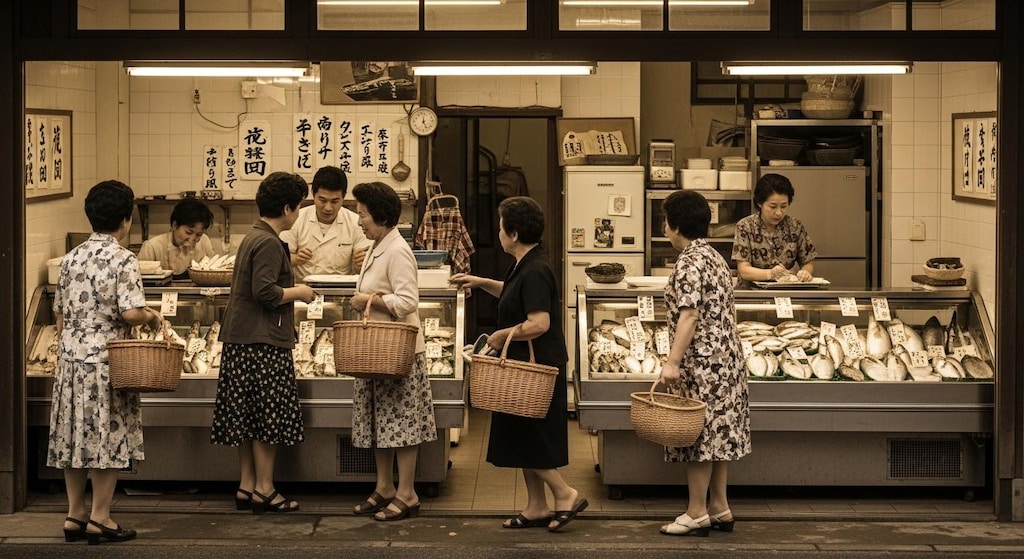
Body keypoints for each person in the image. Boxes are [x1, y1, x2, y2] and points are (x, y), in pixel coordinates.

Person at [449, 197, 587, 533]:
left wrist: (500, 336)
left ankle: (564, 493)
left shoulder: (536, 269)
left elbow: (538, 322)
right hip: (523, 368)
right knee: (523, 435)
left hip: (535, 371)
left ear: (512, 233)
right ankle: (537, 506)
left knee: (530, 439)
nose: (498, 233)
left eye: (500, 227)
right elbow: (515, 296)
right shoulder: (525, 264)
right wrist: (481, 282)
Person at [47, 180, 164, 545]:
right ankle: (101, 516)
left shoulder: (71, 258)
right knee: (106, 435)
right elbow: (130, 313)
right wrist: (152, 315)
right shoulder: (123, 258)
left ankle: (74, 513)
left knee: (73, 435)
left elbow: (60, 314)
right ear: (126, 220)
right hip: (106, 361)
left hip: (69, 359)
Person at [210, 172, 316, 515]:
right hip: (262, 342)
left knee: (246, 418)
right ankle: (266, 489)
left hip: (242, 340)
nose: (298, 213)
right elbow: (266, 292)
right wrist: (301, 292)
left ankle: (247, 485)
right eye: (298, 207)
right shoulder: (270, 241)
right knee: (267, 419)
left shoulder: (253, 235)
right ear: (287, 208)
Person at [658, 190, 750, 537]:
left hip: (703, 364)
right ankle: (719, 507)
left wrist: (672, 361)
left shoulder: (687, 262)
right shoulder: (713, 256)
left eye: (665, 222)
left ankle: (696, 511)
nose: (665, 228)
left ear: (674, 225)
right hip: (728, 361)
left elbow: (690, 315)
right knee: (719, 436)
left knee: (698, 438)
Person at [348, 181, 437, 522]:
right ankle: (384, 486)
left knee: (401, 424)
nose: (359, 221)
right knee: (379, 423)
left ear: (380, 216)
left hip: (399, 354)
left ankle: (407, 493)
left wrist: (368, 300)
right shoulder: (377, 244)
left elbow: (407, 301)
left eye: (363, 214)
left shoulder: (398, 250)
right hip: (377, 353)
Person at [279, 166, 371, 280]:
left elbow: (363, 267)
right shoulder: (296, 219)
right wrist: (297, 258)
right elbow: (279, 260)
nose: (328, 208)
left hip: (342, 290)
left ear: (343, 196)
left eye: (334, 201)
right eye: (322, 200)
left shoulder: (356, 223)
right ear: (313, 194)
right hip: (302, 288)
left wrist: (360, 265)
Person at [732, 173, 817, 288]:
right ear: (759, 203)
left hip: (785, 292)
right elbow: (744, 270)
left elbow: (807, 262)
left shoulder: (795, 226)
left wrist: (805, 272)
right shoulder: (745, 226)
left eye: (783, 206)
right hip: (751, 294)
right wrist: (770, 274)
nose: (778, 212)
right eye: (772, 206)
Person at [138, 198, 218, 279]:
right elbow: (137, 280)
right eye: (188, 232)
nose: (192, 239)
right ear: (174, 225)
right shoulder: (152, 247)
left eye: (198, 234)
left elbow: (213, 273)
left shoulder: (204, 242)